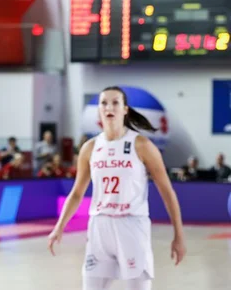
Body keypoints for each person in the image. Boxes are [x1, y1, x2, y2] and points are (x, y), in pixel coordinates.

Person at [48, 86, 186, 290]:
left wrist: (179, 236)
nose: (109, 107)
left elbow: (167, 192)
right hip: (99, 227)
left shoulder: (141, 145)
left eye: (115, 102)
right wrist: (59, 227)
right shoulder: (90, 148)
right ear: (99, 110)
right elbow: (77, 193)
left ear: (125, 110)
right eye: (104, 103)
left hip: (132, 225)